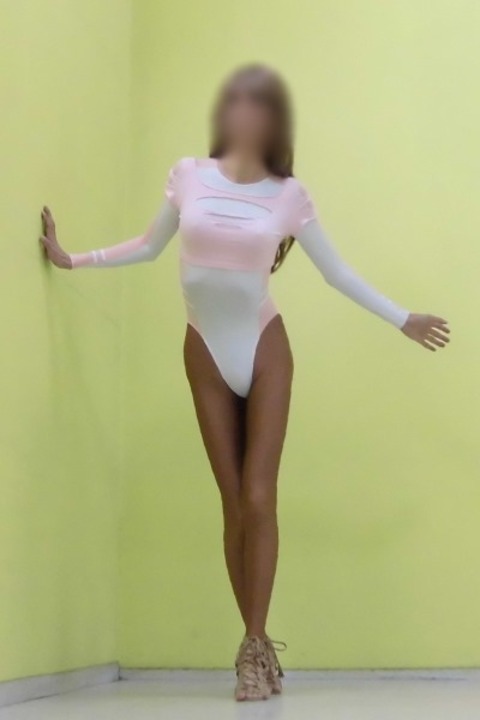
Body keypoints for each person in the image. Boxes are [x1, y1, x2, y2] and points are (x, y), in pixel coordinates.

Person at [39, 63, 450, 702]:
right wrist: (74, 259)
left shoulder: (289, 195)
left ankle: (253, 651)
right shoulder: (188, 175)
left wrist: (404, 319)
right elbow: (148, 245)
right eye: (235, 101)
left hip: (263, 349)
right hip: (203, 349)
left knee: (259, 496)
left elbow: (337, 273)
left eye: (257, 105)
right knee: (232, 503)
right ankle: (256, 645)